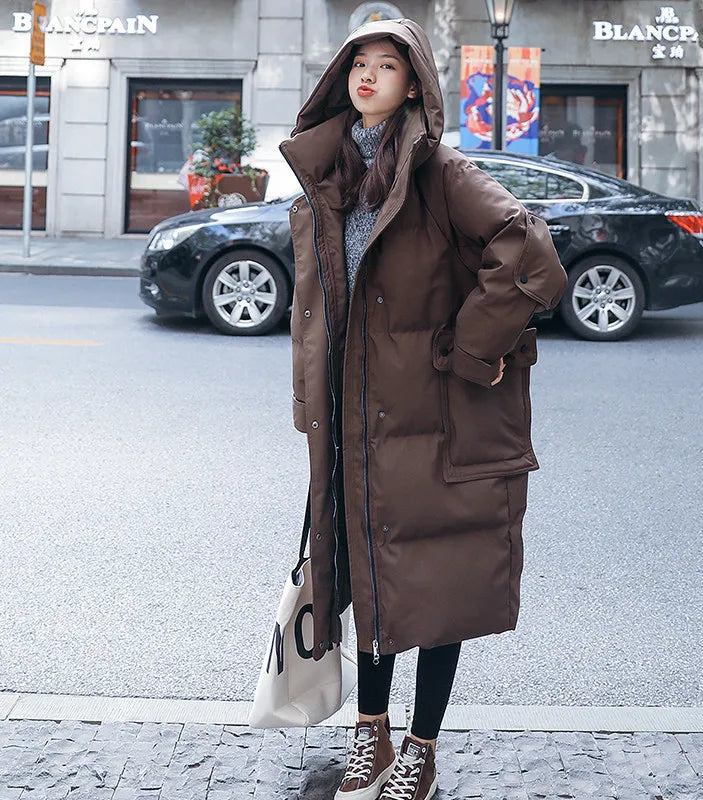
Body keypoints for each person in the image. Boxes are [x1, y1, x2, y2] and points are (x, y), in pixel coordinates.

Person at [279, 17, 567, 800]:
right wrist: (311, 401)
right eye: (358, 63)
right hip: (358, 419)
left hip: (437, 419)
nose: (368, 76)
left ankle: (420, 749)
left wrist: (472, 348)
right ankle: (369, 737)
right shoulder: (330, 174)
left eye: (387, 65)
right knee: (373, 576)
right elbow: (319, 307)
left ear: (415, 85)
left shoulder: (440, 170)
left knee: (440, 584)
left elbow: (528, 248)